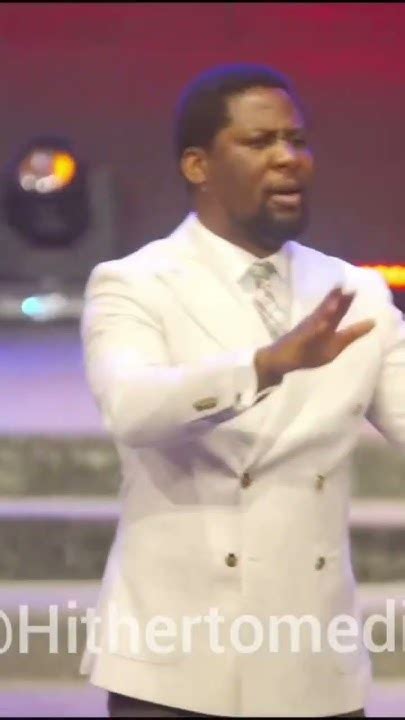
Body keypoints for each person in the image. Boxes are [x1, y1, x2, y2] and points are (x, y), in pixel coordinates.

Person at [80, 64, 405, 718]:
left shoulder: (354, 292)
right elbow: (132, 408)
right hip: (175, 662)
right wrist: (263, 366)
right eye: (259, 142)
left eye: (297, 140)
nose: (288, 158)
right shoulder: (135, 283)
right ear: (197, 165)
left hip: (312, 660)